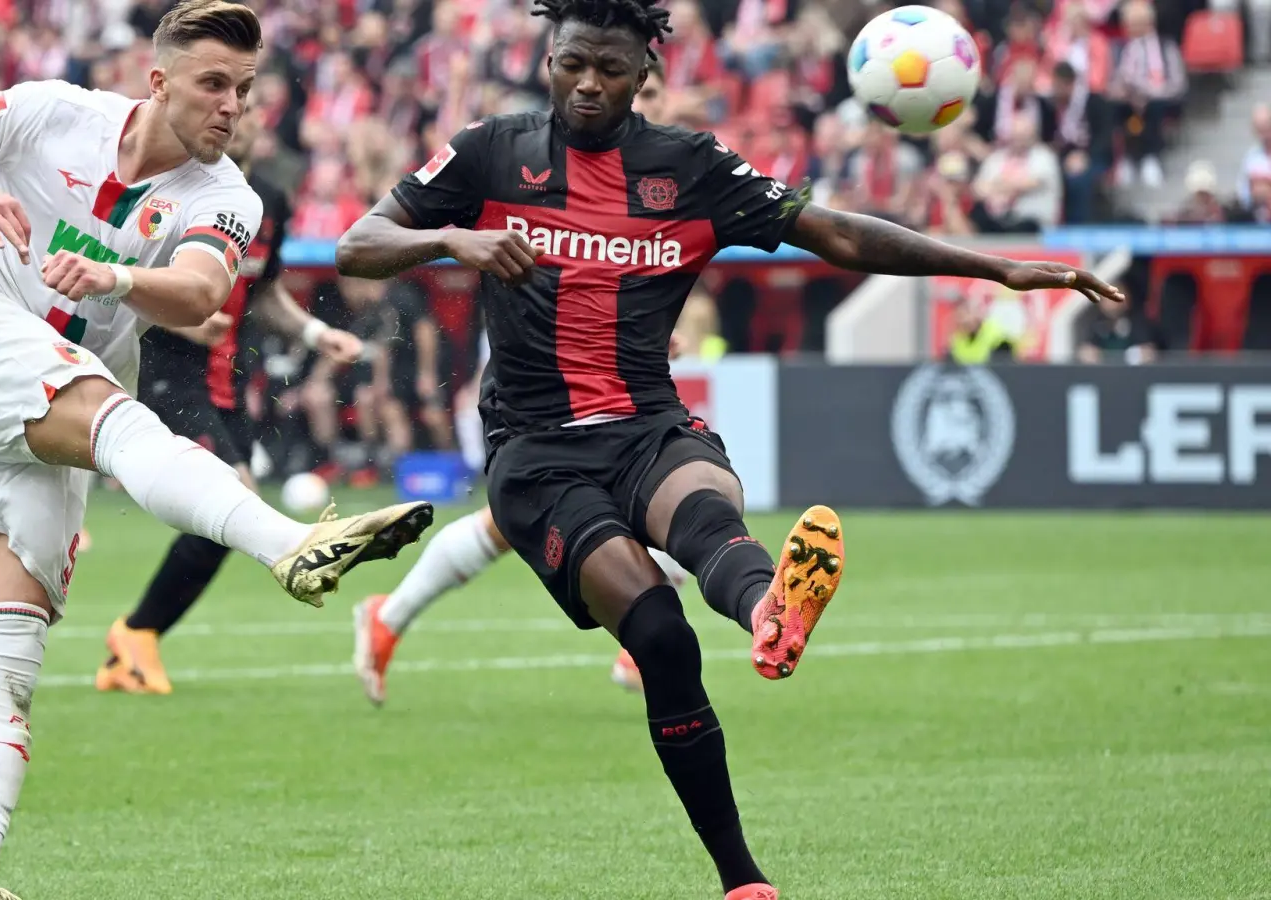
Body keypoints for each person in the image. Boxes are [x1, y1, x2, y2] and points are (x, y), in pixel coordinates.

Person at [333, 2, 1123, 898]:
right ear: (548, 58)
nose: (588, 83)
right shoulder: (487, 155)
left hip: (647, 425)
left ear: (645, 77)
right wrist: (451, 238)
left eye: (611, 70)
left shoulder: (690, 169)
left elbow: (837, 233)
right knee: (662, 638)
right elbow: (360, 245)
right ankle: (740, 874)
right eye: (572, 63)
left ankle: (768, 615)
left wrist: (998, 266)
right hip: (537, 452)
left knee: (706, 510)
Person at [0, 3, 433, 898]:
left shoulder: (227, 197)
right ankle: (288, 544)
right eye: (213, 84)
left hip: (45, 405)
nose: (231, 106)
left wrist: (118, 276)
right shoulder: (54, 113)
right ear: (157, 82)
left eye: (244, 89)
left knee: (6, 658)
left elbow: (201, 290)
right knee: (123, 424)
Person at [350, 57, 687, 706]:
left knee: (542, 516)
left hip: (615, 377)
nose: (658, 115)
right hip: (538, 372)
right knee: (621, 500)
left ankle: (388, 620)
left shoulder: (663, 175)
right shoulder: (543, 156)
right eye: (657, 99)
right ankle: (643, 639)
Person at [96, 97, 367, 694]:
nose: (233, 120)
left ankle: (133, 643)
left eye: (245, 110)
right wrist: (185, 319)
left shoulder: (268, 201)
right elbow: (121, 275)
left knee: (222, 508)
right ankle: (138, 633)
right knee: (232, 491)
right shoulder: (172, 190)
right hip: (166, 368)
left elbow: (264, 294)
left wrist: (319, 333)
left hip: (227, 379)